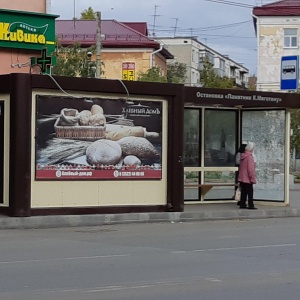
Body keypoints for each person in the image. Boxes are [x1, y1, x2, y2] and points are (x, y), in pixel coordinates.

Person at [238, 142, 257, 209]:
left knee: (244, 192)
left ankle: (242, 204)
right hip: (247, 178)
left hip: (242, 177)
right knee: (250, 192)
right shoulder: (250, 157)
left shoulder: (243, 156)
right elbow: (251, 169)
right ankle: (251, 205)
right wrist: (253, 178)